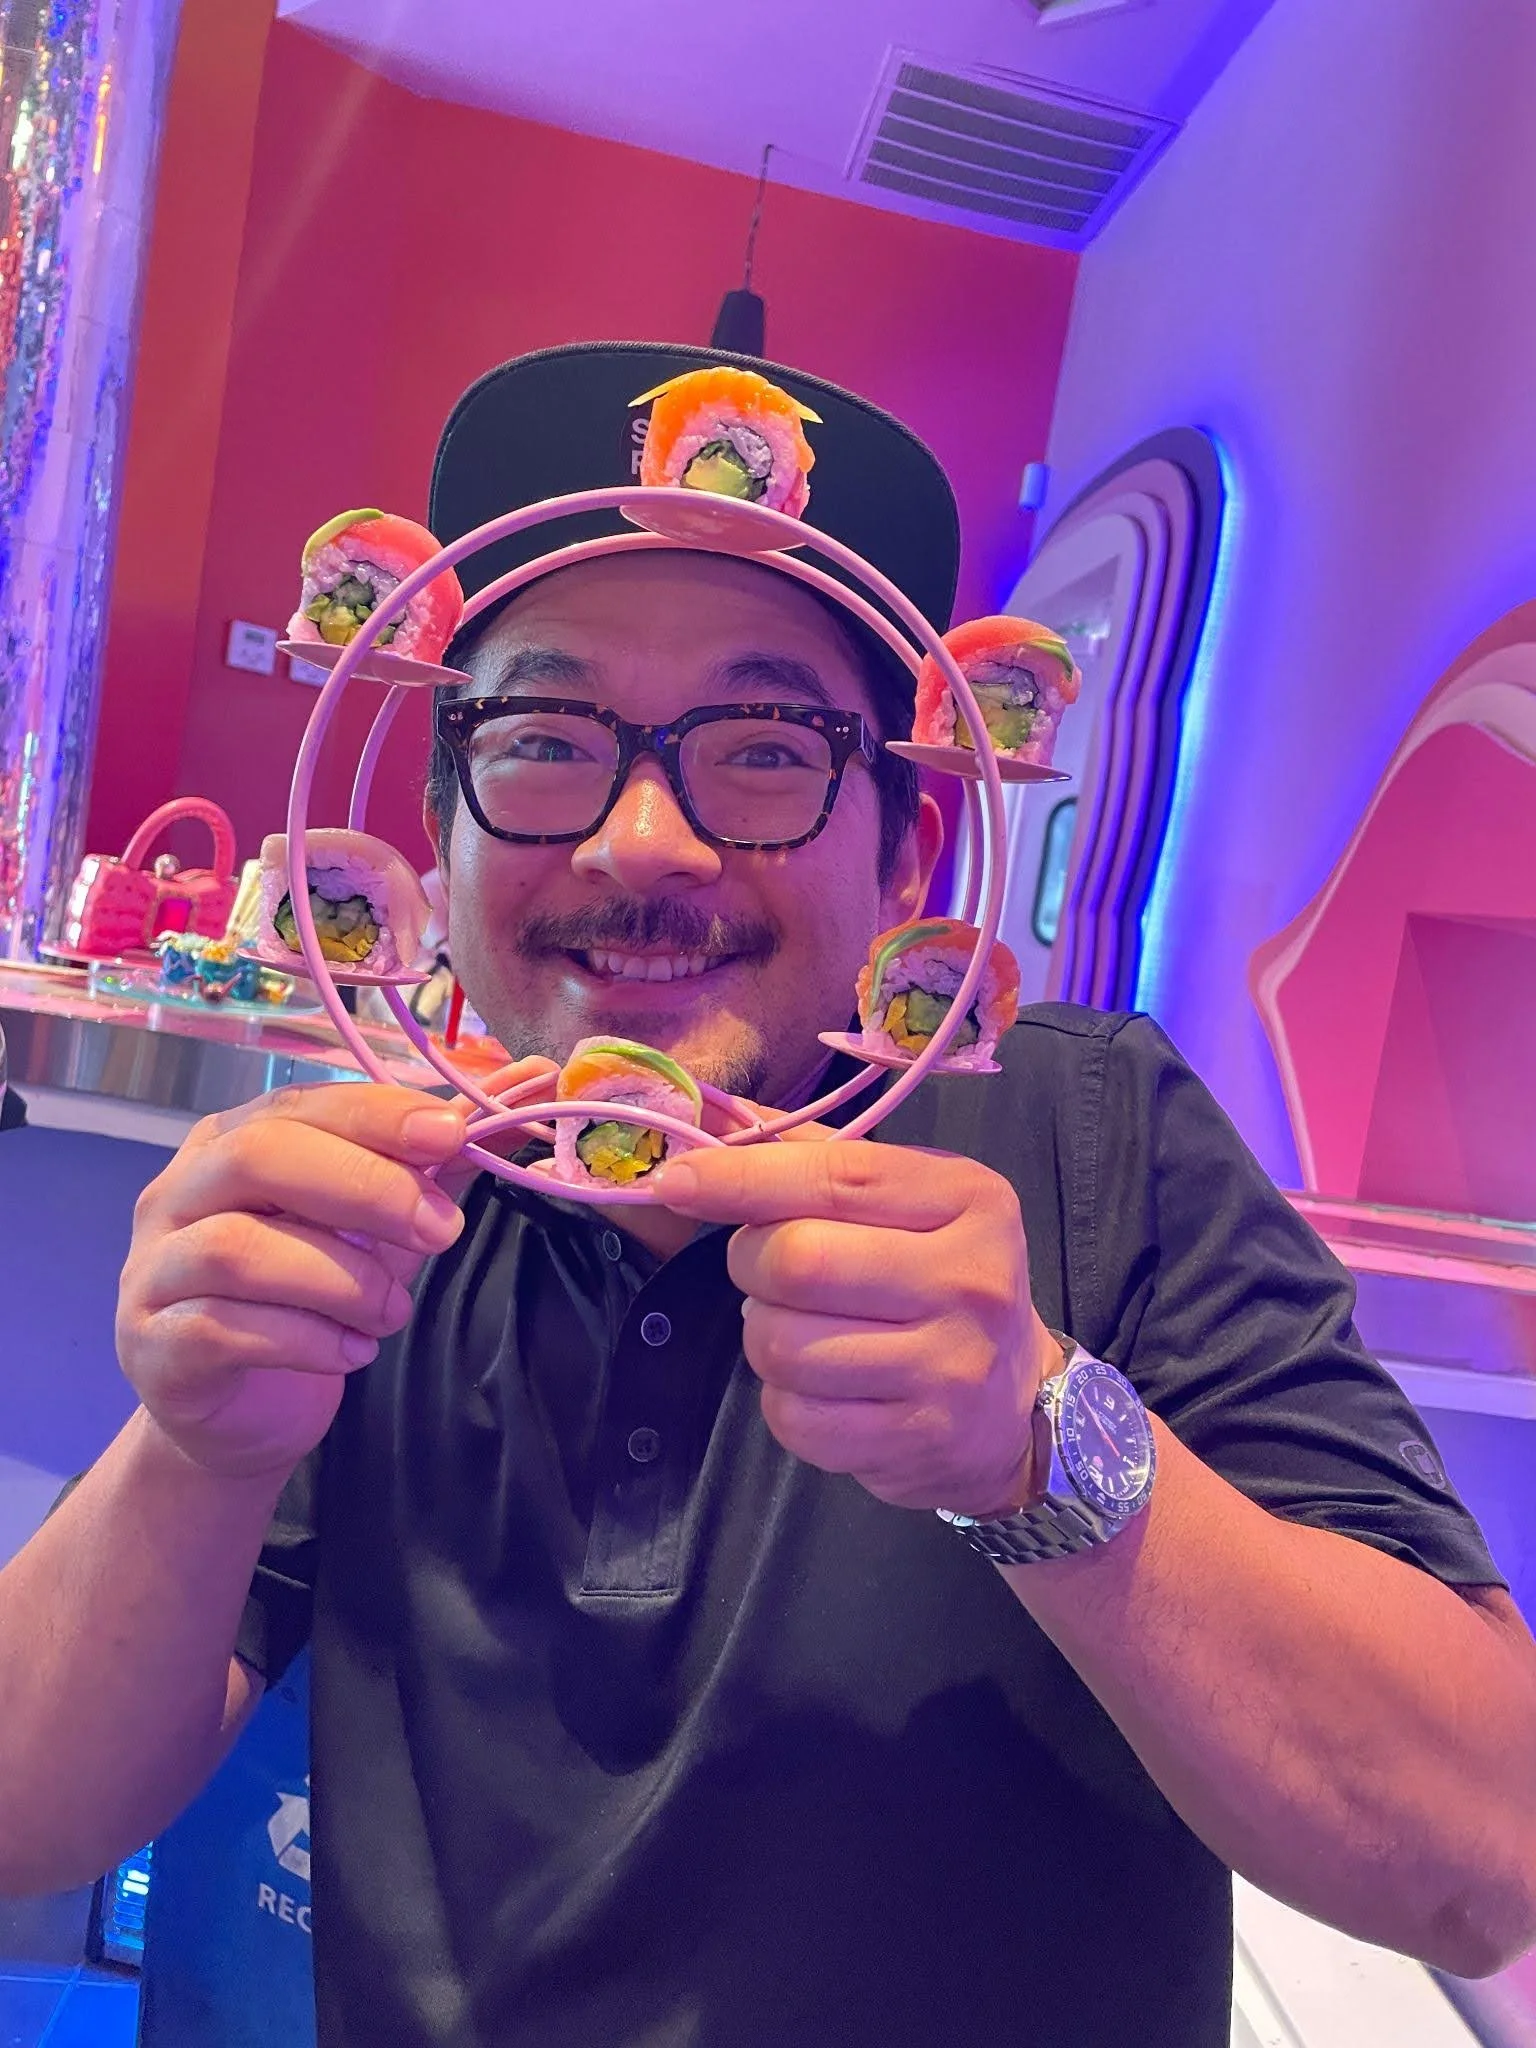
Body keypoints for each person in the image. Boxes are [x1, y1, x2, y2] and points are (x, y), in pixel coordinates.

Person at [3, 343, 1534, 2047]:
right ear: (439, 838)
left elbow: (1483, 1859)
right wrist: (195, 1445)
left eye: (762, 745)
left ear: (904, 855)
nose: (644, 842)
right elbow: (27, 1816)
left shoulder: (1098, 1136)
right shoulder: (372, 1200)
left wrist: (1044, 1444)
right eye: (544, 734)